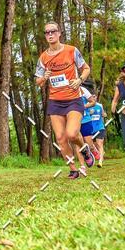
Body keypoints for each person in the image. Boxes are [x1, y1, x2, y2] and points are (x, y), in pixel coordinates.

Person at [35, 23, 96, 179]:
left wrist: (79, 80)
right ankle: (73, 169)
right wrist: (44, 77)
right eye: (47, 32)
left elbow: (86, 68)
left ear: (59, 33)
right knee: (61, 138)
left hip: (73, 99)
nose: (50, 34)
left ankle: (85, 149)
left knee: (71, 133)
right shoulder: (43, 57)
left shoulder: (71, 50)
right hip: (55, 101)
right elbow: (38, 81)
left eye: (53, 31)